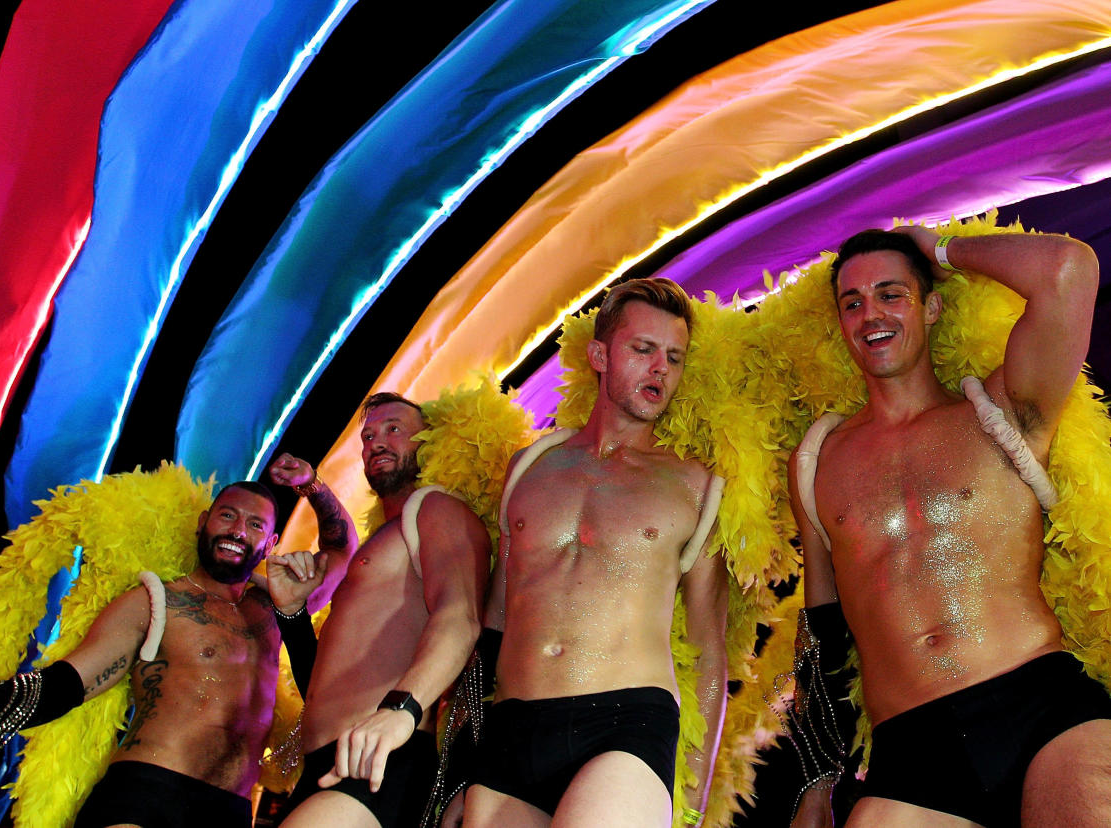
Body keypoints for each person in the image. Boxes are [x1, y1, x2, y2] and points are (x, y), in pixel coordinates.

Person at [787, 226, 1110, 828]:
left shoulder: (1001, 409)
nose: (870, 315)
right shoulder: (817, 461)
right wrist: (817, 772)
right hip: (912, 750)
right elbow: (823, 629)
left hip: (1042, 710)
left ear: (932, 305)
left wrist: (940, 250)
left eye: (891, 294)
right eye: (852, 302)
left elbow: (1070, 268)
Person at [0, 472, 354, 827]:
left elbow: (341, 548)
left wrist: (312, 485)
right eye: (227, 516)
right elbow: (66, 685)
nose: (238, 530)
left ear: (272, 543)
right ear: (203, 522)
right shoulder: (156, 599)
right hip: (146, 795)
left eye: (255, 524)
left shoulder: (280, 606)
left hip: (232, 809)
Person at [464, 278, 729, 828]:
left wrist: (695, 803)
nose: (660, 368)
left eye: (674, 358)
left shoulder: (697, 486)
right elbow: (494, 619)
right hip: (512, 726)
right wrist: (457, 752)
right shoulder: (530, 468)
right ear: (599, 355)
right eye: (643, 349)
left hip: (625, 725)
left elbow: (708, 649)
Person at [281, 393, 491, 828]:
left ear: (429, 440)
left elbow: (461, 619)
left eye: (394, 429)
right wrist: (291, 615)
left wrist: (402, 711)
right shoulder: (381, 538)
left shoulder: (436, 509)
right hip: (328, 764)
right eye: (368, 436)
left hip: (383, 760)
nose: (376, 442)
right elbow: (325, 686)